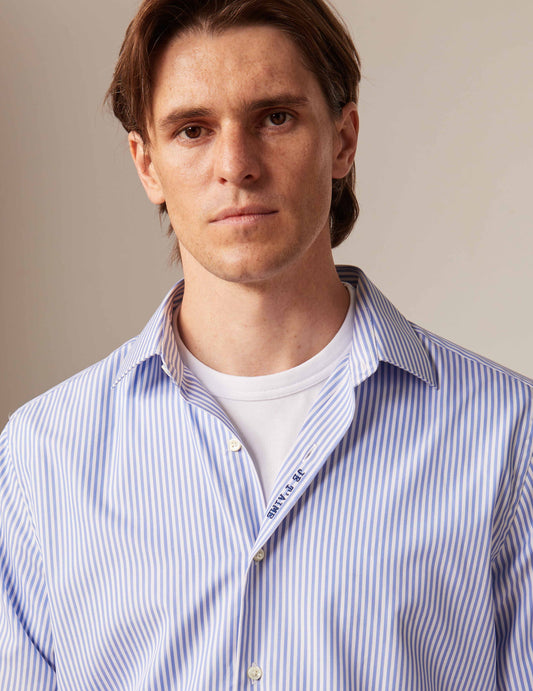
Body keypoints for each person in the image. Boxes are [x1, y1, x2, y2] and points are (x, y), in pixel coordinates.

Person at [1, 0, 532, 688]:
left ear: (343, 140)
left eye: (275, 118)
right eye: (193, 130)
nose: (236, 165)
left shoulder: (505, 433)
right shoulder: (43, 456)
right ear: (147, 164)